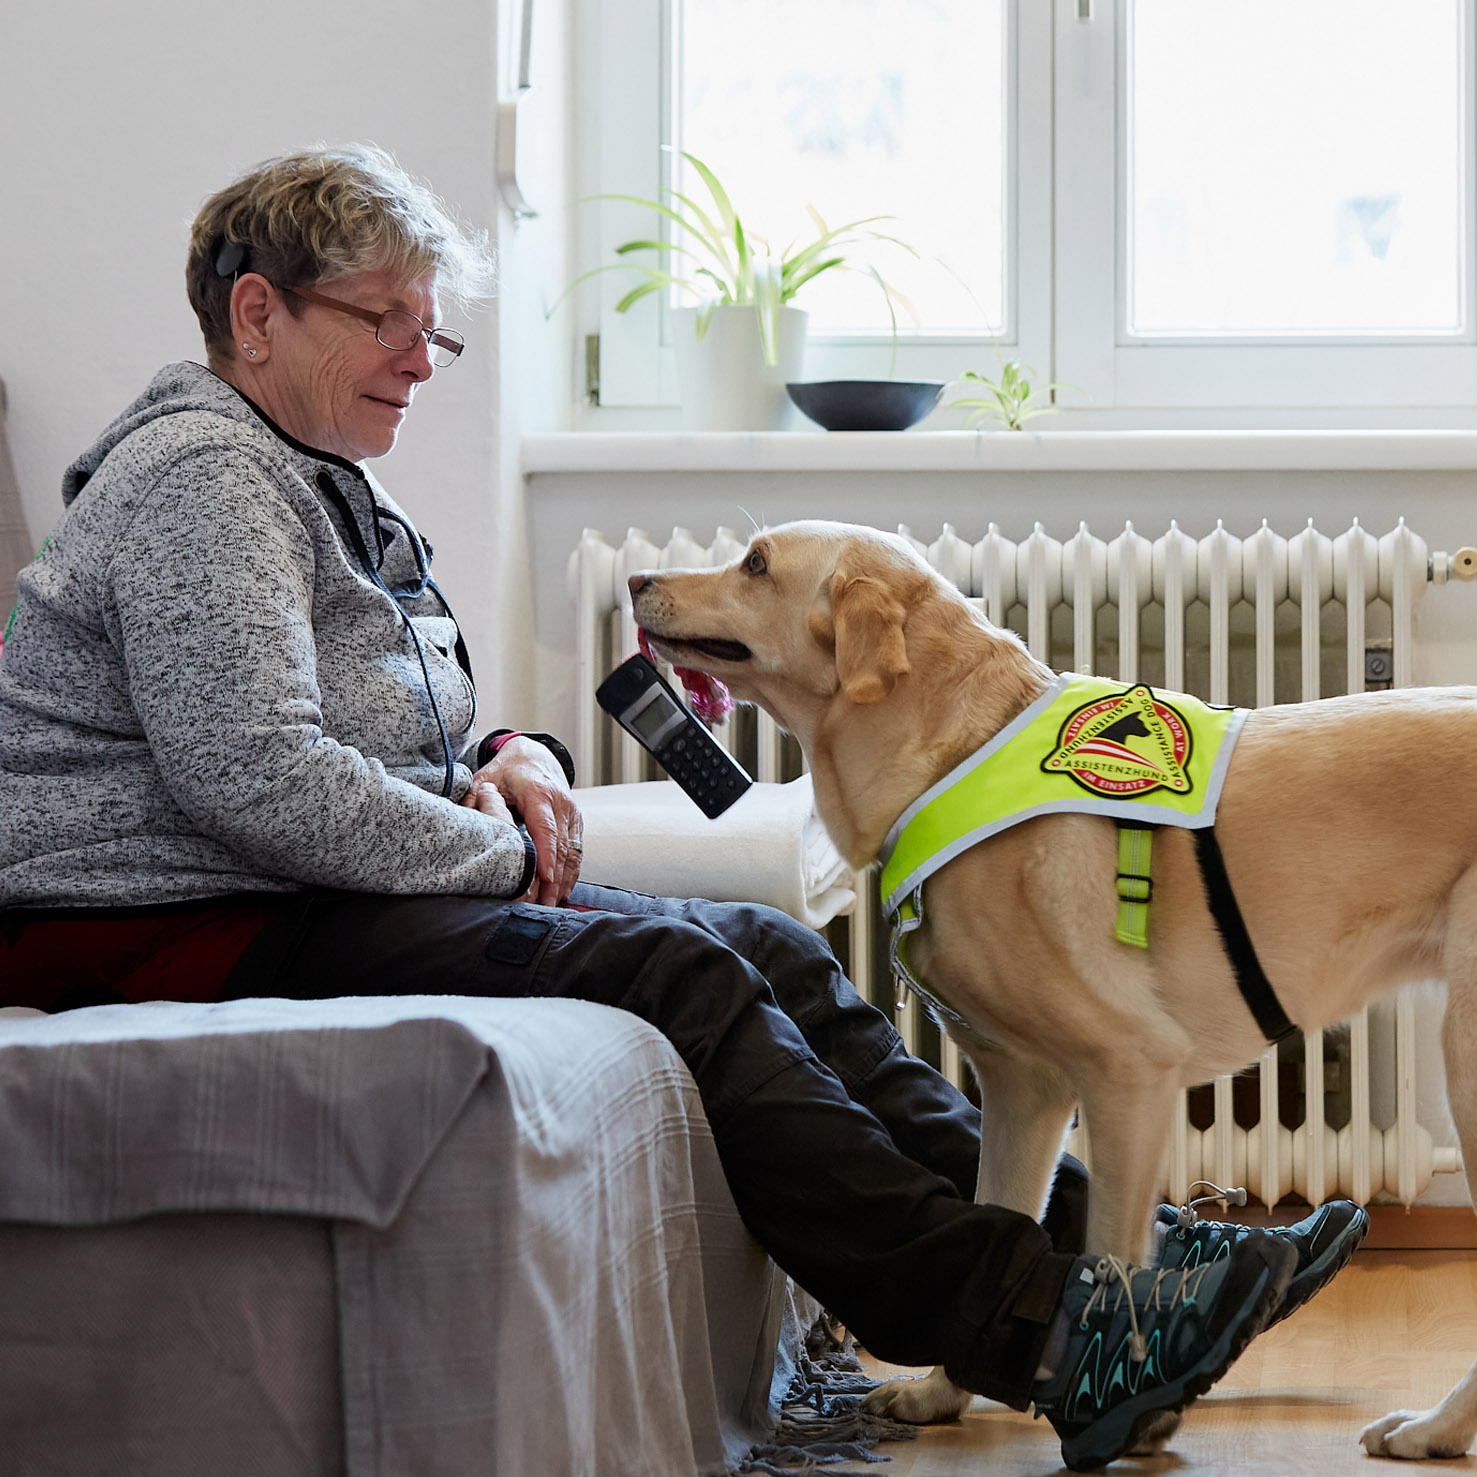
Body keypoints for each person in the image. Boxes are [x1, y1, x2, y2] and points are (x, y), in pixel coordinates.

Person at [0, 145, 1364, 1471]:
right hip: (172, 918)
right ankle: (1048, 1327)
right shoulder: (202, 480)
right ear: (258, 314)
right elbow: (255, 779)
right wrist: (495, 852)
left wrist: (510, 753)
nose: (421, 356)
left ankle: (1131, 1259)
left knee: (762, 944)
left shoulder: (310, 475)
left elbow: (362, 724)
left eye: (435, 329)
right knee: (686, 969)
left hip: (292, 884)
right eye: (386, 320)